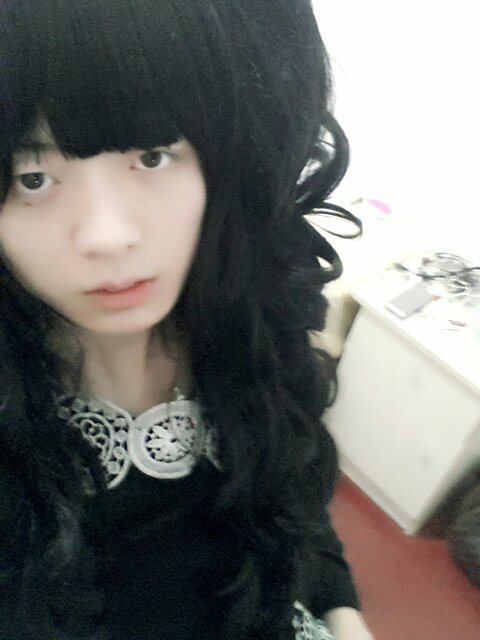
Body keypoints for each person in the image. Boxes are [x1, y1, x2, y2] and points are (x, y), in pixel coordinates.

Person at [0, 1, 374, 639]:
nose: (108, 236)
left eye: (151, 156)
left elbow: (294, 507)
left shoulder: (250, 329)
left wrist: (345, 617)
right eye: (31, 178)